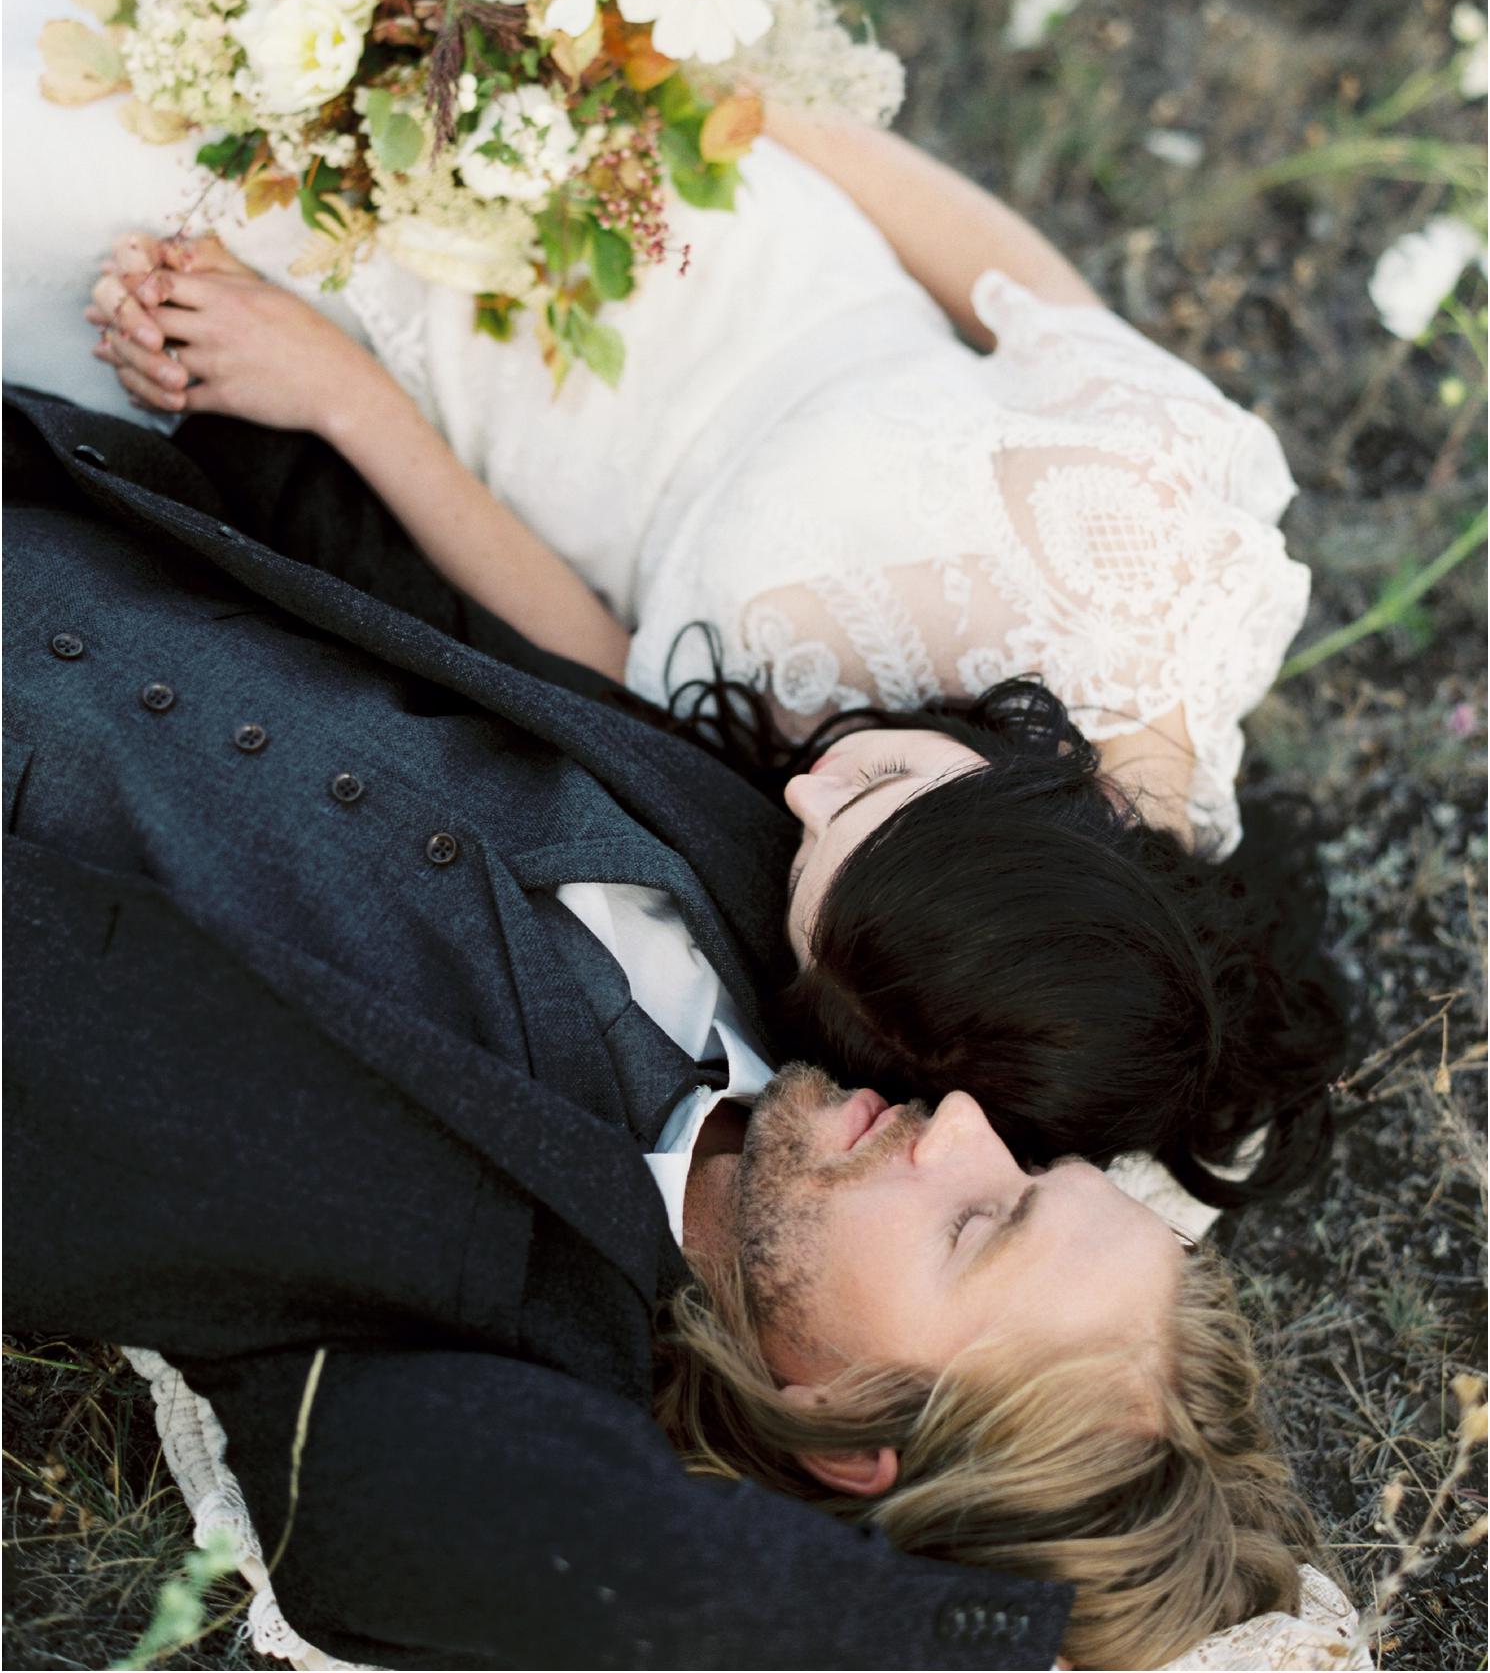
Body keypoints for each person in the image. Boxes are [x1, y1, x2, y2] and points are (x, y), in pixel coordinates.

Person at [6, 0, 1347, 1211]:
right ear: (1021, 824)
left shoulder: (922, 968)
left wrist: (343, 400)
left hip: (500, 414)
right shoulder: (1165, 528)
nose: (805, 796)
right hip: (708, 239)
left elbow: (600, 654)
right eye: (863, 797)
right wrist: (738, 102)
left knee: (62, 190)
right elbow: (1006, 279)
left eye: (807, 850)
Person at [3, 383, 1319, 1670]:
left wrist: (974, 1643)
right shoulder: (799, 934)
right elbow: (441, 638)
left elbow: (398, 1553)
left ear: (842, 1437)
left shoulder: (480, 1348)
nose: (966, 1130)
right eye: (1029, 1172)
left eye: (976, 1225)